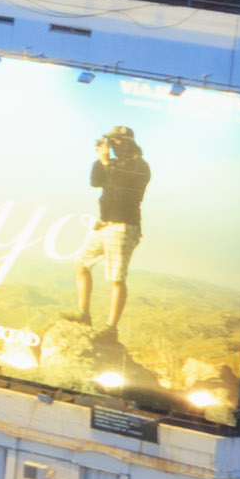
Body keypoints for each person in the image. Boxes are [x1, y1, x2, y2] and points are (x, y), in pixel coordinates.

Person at [83, 125, 151, 332]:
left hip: (124, 225)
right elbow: (95, 182)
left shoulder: (139, 166)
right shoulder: (114, 164)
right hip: (105, 224)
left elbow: (122, 191)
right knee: (81, 265)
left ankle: (111, 328)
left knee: (116, 279)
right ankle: (83, 315)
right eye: (112, 141)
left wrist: (106, 163)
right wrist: (100, 160)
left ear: (129, 143)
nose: (114, 144)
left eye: (117, 140)